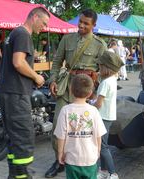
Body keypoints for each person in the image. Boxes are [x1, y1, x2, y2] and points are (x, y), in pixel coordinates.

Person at [46, 9, 107, 178]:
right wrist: (53, 80)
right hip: (67, 89)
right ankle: (59, 161)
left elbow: (106, 71)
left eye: (86, 23)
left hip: (86, 94)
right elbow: (57, 62)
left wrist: (97, 79)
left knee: (83, 131)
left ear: (93, 25)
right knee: (58, 128)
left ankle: (86, 161)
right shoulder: (67, 39)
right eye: (80, 21)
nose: (81, 25)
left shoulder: (100, 44)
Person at [0, 7, 49, 179]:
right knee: (24, 137)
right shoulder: (23, 34)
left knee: (14, 137)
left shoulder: (14, 33)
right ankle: (22, 176)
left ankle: (14, 175)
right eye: (43, 23)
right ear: (34, 17)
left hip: (8, 92)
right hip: (16, 93)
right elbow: (18, 63)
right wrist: (36, 77)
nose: (44, 27)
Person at [54, 74, 107, 179]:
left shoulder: (65, 110)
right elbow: (98, 136)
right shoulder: (94, 111)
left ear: (71, 91)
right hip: (90, 159)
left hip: (72, 159)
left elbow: (61, 136)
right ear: (90, 93)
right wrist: (98, 151)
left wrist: (60, 153)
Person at [95, 51, 124, 179]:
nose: (98, 68)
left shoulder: (105, 83)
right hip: (109, 116)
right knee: (102, 145)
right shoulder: (113, 80)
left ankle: (113, 173)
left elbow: (99, 104)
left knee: (103, 146)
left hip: (102, 117)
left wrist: (88, 106)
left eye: (100, 66)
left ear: (106, 68)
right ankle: (104, 170)